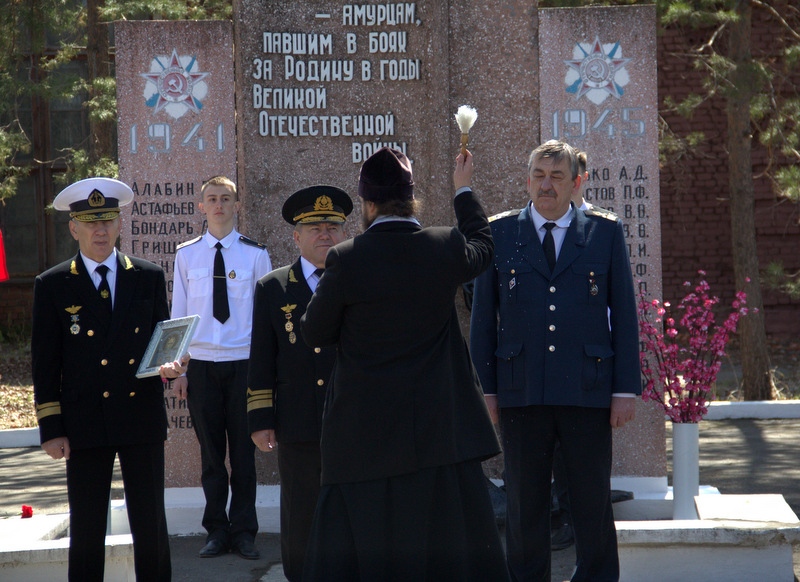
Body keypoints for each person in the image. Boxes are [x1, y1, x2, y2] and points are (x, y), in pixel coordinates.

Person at [299, 147, 509, 580]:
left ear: (368, 204)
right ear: (411, 199)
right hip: (438, 432)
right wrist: (463, 189)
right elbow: (484, 246)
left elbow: (314, 332)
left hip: (366, 437)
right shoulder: (444, 245)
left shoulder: (347, 258)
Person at [470, 139, 640, 581]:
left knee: (591, 501)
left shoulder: (603, 232)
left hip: (587, 388)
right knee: (524, 503)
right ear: (528, 181)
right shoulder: (500, 233)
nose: (546, 185)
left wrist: (625, 389)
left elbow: (624, 314)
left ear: (576, 183)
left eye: (557, 177)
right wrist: (486, 391)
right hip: (521, 389)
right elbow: (483, 320)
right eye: (539, 176)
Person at [32, 177, 187, 582]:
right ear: (74, 228)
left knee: (151, 526)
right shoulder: (53, 284)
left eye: (108, 221)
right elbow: (45, 362)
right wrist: (51, 427)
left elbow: (160, 342)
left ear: (120, 225)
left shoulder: (148, 276)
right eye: (90, 223)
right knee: (86, 529)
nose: (100, 231)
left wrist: (172, 366)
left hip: (140, 415)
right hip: (84, 420)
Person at [247, 185, 352, 582]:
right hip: (298, 421)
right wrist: (261, 419)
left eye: (332, 227)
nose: (325, 234)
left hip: (351, 419)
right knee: (301, 514)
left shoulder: (356, 281)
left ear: (344, 232)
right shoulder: (273, 287)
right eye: (314, 228)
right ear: (296, 236)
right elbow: (262, 357)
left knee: (349, 511)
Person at [171, 176, 273, 560]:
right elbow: (179, 314)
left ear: (236, 205)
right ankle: (216, 531)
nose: (218, 205)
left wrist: (264, 373)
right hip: (201, 367)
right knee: (212, 457)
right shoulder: (187, 255)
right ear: (201, 207)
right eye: (212, 199)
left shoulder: (255, 255)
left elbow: (265, 320)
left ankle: (244, 532)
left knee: (244, 456)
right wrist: (180, 371)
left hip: (243, 364)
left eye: (226, 198)